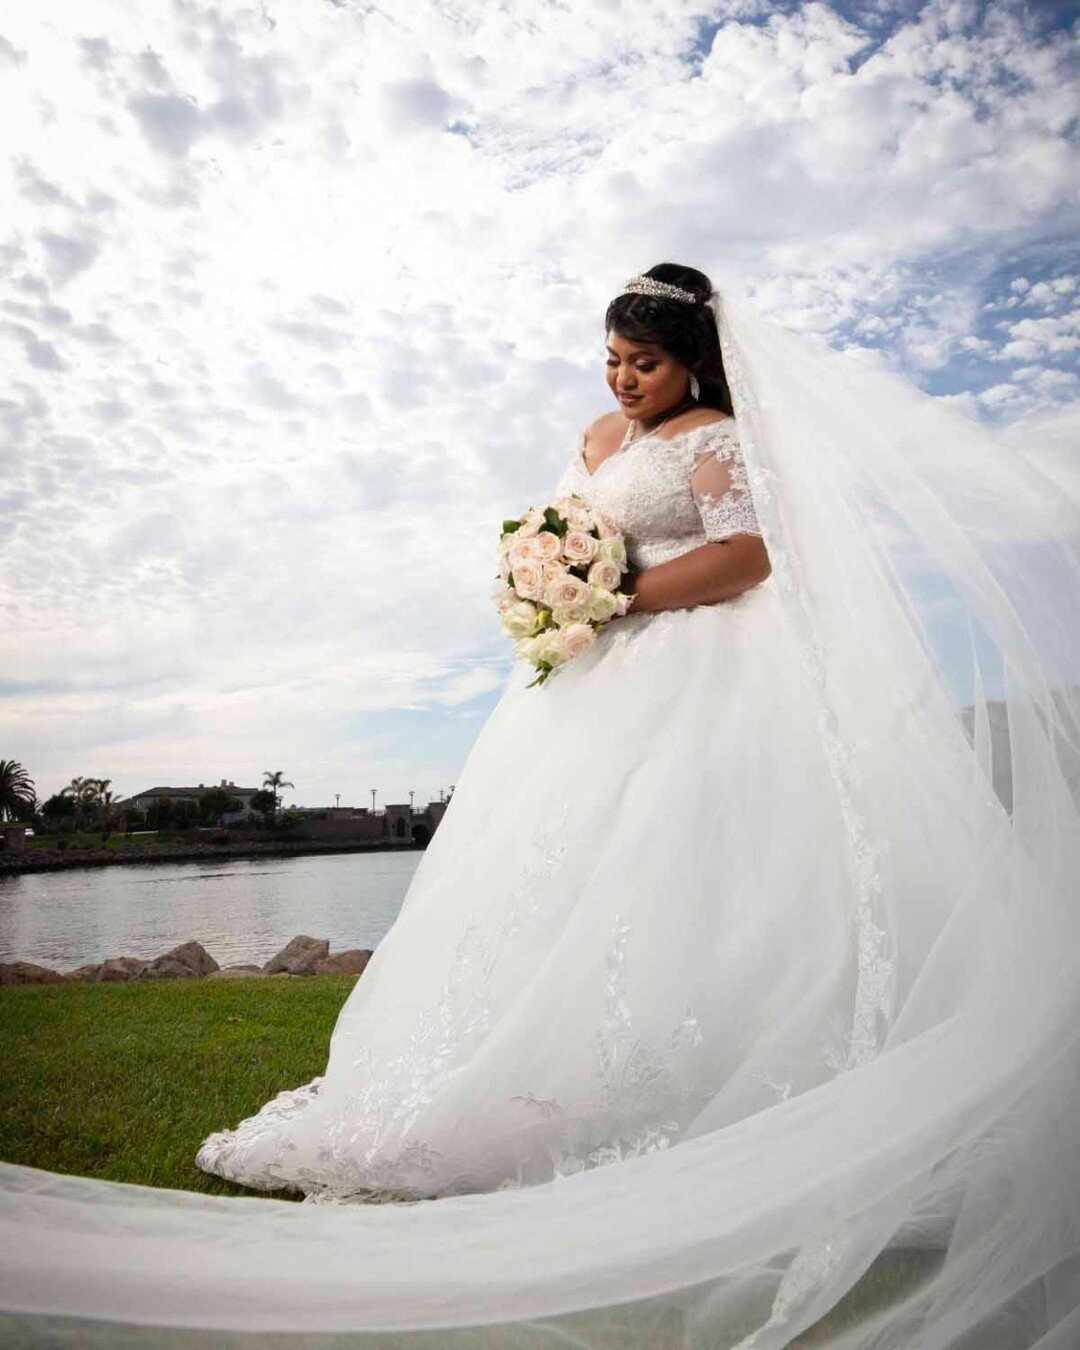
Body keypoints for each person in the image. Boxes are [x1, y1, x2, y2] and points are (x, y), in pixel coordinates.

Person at [3, 265, 1080, 1349]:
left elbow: (748, 557)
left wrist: (615, 593)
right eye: (612, 359)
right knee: (554, 876)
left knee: (687, 865)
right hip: (593, 677)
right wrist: (546, 573)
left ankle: (714, 1089)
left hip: (704, 669)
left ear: (692, 359)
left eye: (643, 362)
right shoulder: (600, 435)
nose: (622, 381)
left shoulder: (717, 438)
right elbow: (568, 522)